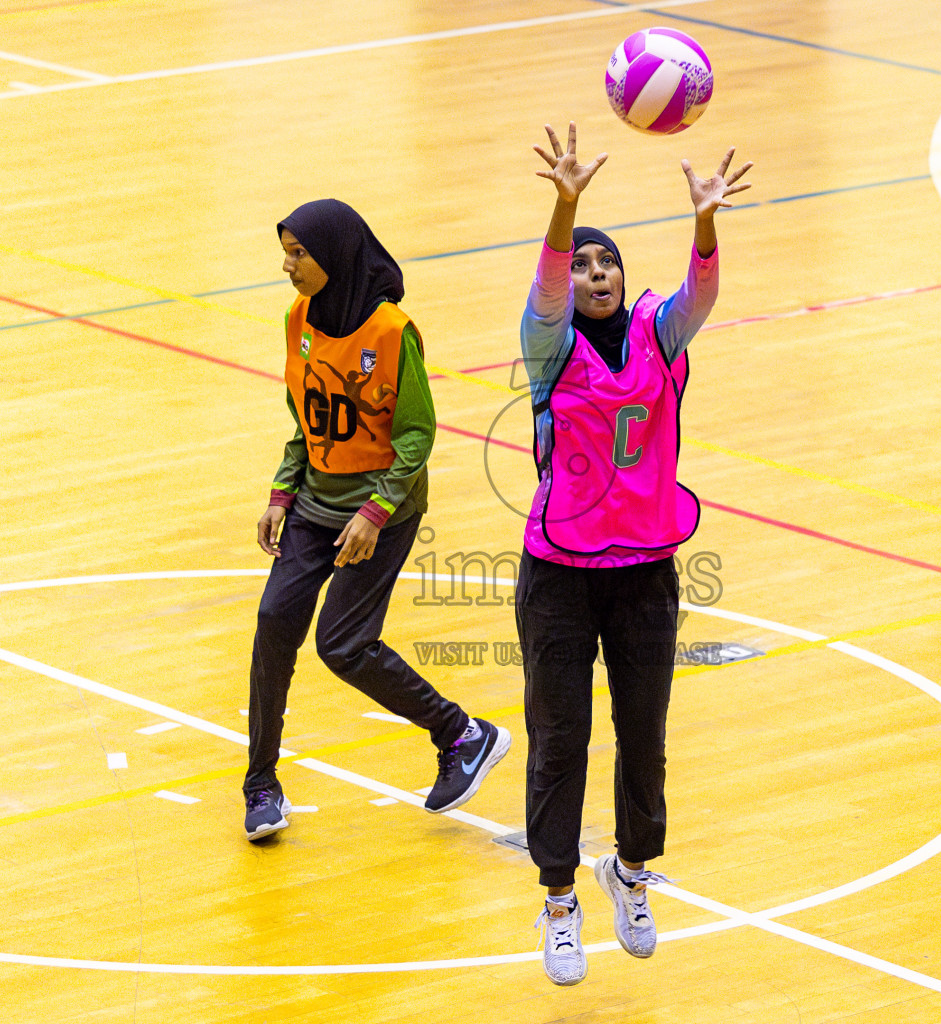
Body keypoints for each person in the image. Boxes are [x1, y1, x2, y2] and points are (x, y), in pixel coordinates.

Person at [515, 124, 751, 984]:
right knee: (559, 740)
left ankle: (632, 875)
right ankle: (558, 901)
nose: (596, 274)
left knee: (642, 736)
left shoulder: (659, 332)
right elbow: (541, 294)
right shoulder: (549, 347)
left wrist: (705, 226)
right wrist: (565, 206)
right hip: (561, 578)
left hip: (644, 569)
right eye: (582, 264)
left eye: (606, 261)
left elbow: (701, 297)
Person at [243, 199, 510, 840]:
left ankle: (462, 733)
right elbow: (303, 423)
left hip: (380, 514)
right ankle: (260, 787)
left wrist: (373, 510)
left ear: (334, 254)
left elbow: (417, 435)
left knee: (342, 644)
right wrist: (282, 492)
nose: (288, 265)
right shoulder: (299, 319)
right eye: (286, 251)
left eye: (299, 253)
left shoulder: (393, 332)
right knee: (274, 621)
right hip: (314, 505)